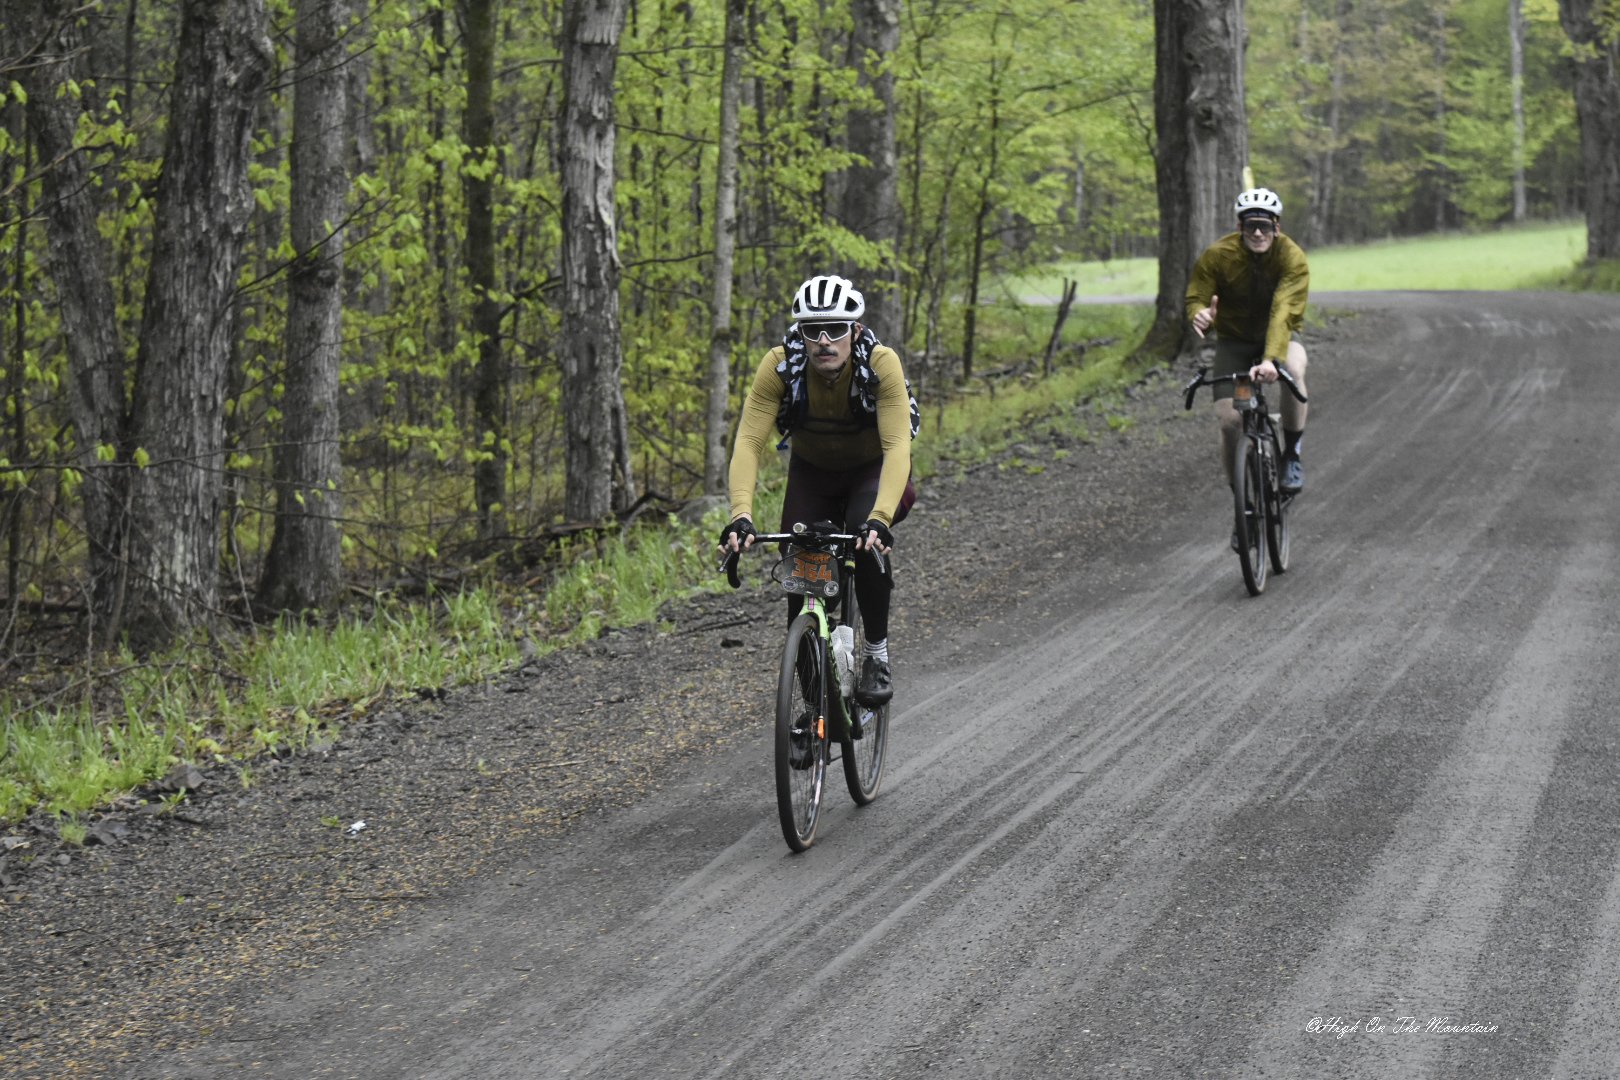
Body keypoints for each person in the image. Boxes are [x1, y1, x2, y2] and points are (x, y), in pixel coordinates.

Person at [718, 274, 919, 707]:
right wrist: (741, 514)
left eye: (836, 330)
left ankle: (876, 655)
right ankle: (811, 711)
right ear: (800, 335)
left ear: (856, 331)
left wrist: (880, 520)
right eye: (813, 330)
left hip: (873, 472)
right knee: (800, 573)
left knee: (865, 545)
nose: (824, 340)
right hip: (813, 473)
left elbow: (898, 446)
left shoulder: (881, 364)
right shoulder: (778, 366)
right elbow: (749, 442)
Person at [1185, 187, 1311, 544]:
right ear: (1239, 227)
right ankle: (1243, 504)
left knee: (1295, 372)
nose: (1258, 233)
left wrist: (1272, 359)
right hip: (1236, 341)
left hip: (1281, 335)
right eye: (1251, 225)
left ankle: (1291, 455)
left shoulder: (1292, 258)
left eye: (1265, 226)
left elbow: (1284, 311)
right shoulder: (1218, 255)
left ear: (1277, 226)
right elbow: (1197, 293)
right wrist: (1200, 313)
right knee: (1229, 422)